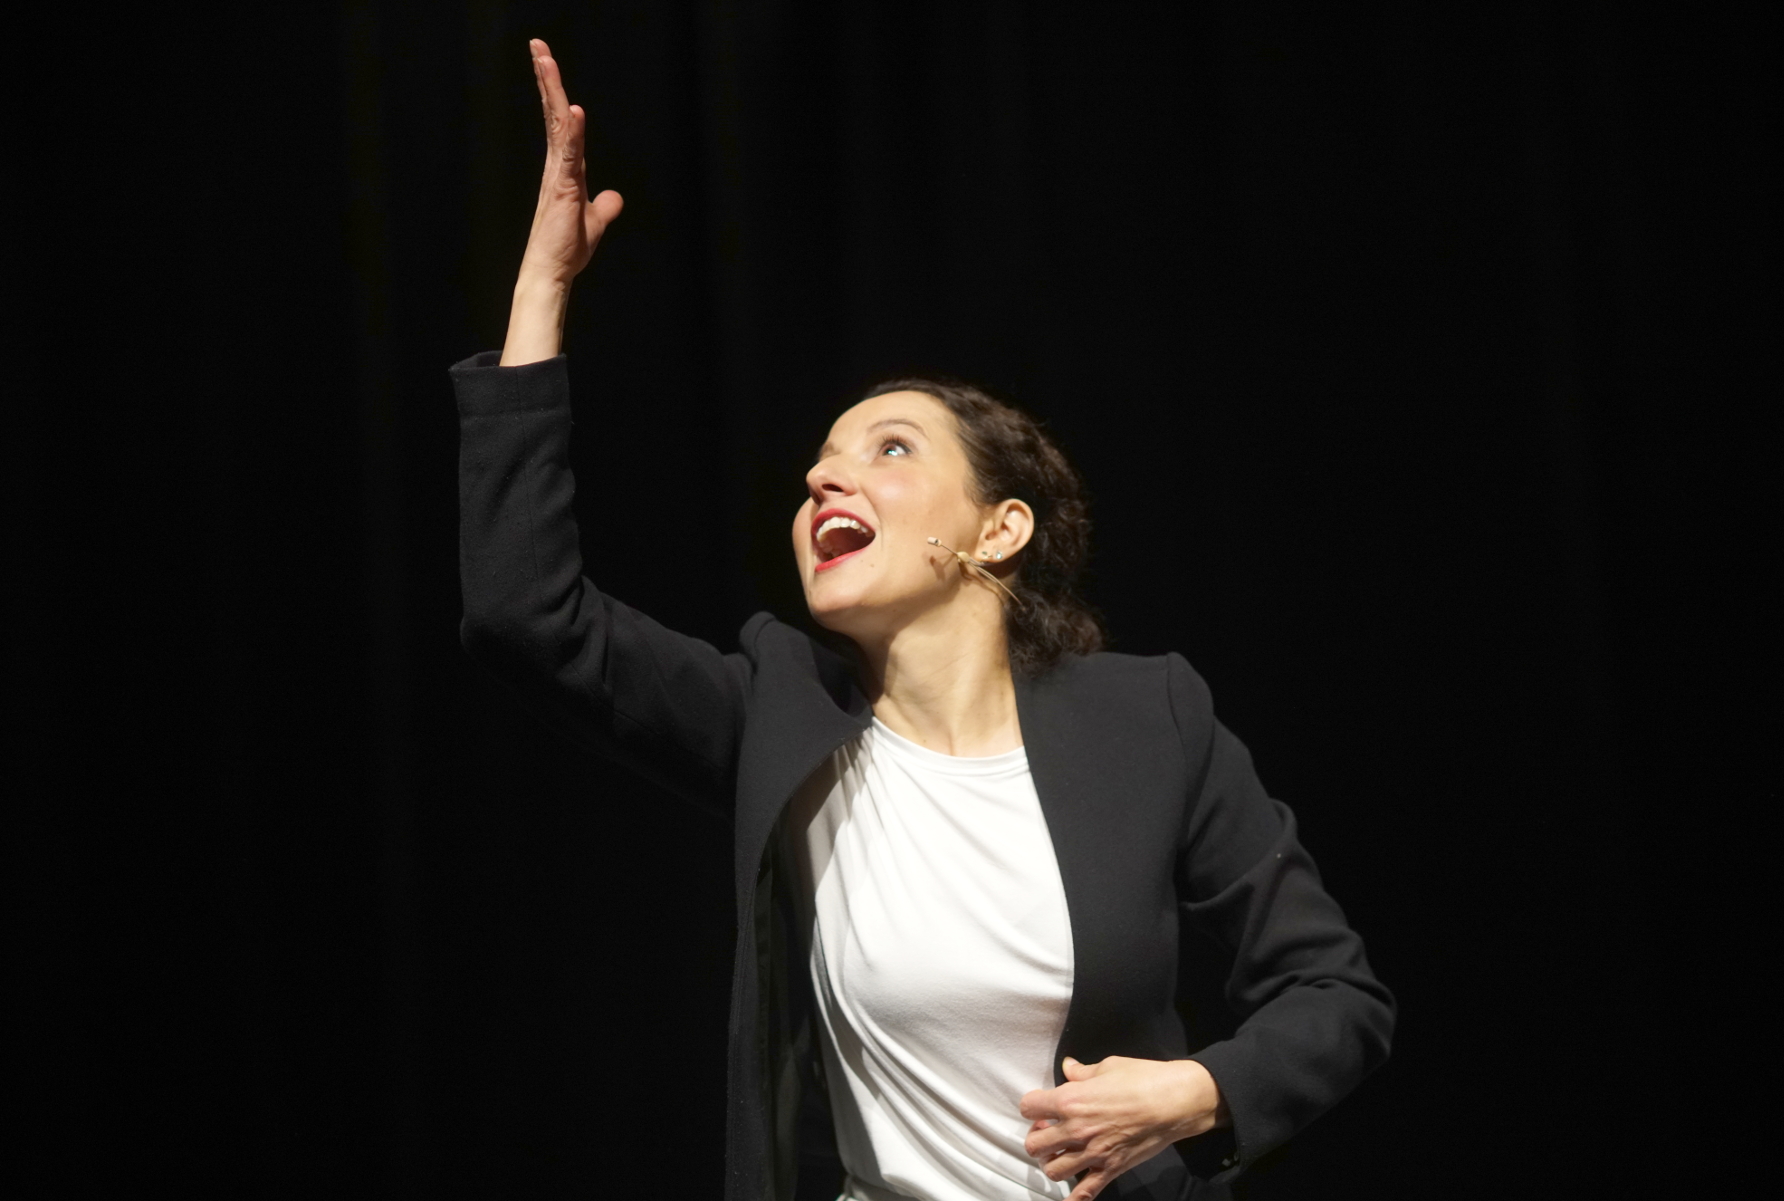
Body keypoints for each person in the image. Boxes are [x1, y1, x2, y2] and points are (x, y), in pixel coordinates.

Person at [453, 39, 1394, 1201]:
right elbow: (521, 611)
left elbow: (1336, 995)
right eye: (819, 464)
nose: (824, 481)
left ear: (999, 530)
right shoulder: (777, 708)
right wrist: (541, 292)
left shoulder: (1149, 716)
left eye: (888, 450)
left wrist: (1197, 1090)